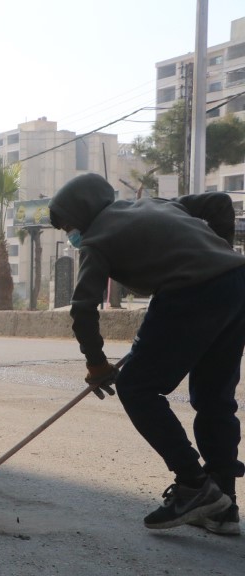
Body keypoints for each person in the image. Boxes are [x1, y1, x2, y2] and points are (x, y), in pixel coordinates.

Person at [49, 173, 245, 534]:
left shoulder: (96, 240)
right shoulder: (154, 203)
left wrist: (96, 364)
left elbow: (82, 308)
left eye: (68, 226)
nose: (70, 236)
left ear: (84, 213)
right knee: (216, 398)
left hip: (190, 292)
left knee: (137, 388)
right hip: (236, 283)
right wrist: (219, 254)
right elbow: (218, 202)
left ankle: (194, 485)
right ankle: (223, 507)